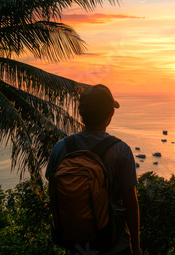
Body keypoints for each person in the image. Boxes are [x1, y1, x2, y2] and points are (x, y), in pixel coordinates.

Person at [46, 84, 142, 255]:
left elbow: (53, 194)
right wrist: (136, 247)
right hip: (114, 245)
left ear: (81, 113)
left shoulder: (60, 148)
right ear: (110, 114)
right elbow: (130, 205)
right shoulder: (121, 150)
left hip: (75, 246)